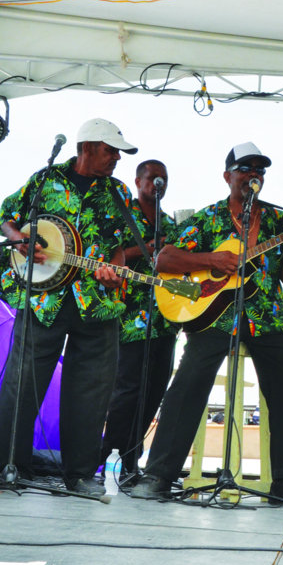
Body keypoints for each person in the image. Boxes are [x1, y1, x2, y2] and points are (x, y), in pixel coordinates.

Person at [131, 142, 283, 508]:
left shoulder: (279, 222)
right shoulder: (209, 219)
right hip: (215, 318)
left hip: (266, 317)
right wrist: (211, 259)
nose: (254, 175)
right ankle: (159, 475)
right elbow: (164, 259)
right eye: (246, 168)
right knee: (188, 381)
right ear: (228, 176)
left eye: (260, 170)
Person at [0, 118, 138, 496]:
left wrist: (118, 271)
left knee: (90, 392)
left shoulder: (119, 193)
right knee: (22, 384)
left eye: (118, 153)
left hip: (96, 303)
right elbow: (6, 217)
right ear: (87, 147)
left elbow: (124, 246)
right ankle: (9, 466)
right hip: (43, 297)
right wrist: (19, 240)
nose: (116, 159)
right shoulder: (44, 180)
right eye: (110, 151)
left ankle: (78, 475)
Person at [101, 160, 179, 476]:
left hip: (166, 318)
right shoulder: (122, 216)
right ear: (138, 181)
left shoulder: (171, 224)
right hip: (129, 317)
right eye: (152, 178)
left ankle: (132, 460)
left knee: (155, 389)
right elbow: (106, 255)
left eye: (164, 178)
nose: (158, 183)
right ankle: (108, 455)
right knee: (128, 389)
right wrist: (144, 249)